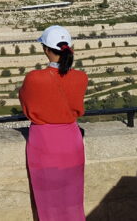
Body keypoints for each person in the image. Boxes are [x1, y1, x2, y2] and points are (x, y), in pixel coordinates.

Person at [18, 25, 88, 221]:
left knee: (48, 201)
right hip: (71, 139)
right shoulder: (81, 78)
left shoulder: (35, 78)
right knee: (73, 199)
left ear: (46, 50)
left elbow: (26, 103)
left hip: (45, 141)